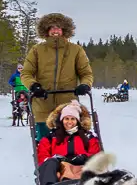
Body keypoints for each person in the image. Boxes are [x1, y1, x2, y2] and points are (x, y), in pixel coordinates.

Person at [20, 12, 94, 140]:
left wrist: (84, 85)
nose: (55, 30)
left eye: (58, 27)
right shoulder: (37, 50)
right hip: (42, 102)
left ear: (64, 30)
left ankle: (71, 159)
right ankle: (46, 159)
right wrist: (33, 85)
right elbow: (26, 73)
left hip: (67, 106)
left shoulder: (76, 50)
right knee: (44, 140)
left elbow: (86, 73)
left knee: (70, 140)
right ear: (46, 30)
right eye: (52, 27)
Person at [31, 101, 102, 185]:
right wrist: (56, 160)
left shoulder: (87, 137)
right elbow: (42, 155)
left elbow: (96, 153)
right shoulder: (51, 137)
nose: (69, 122)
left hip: (82, 168)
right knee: (50, 163)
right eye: (66, 119)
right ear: (61, 120)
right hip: (59, 168)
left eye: (73, 119)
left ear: (78, 120)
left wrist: (85, 157)